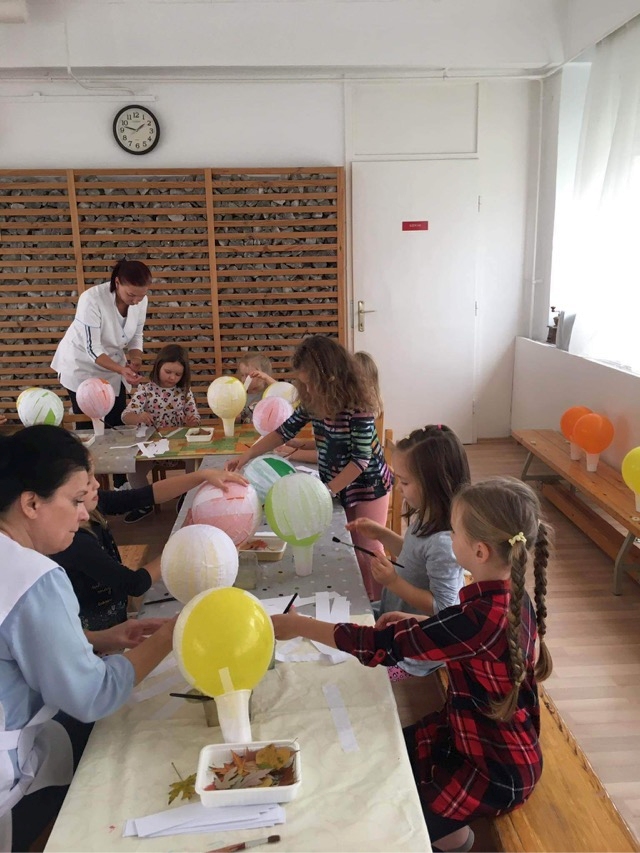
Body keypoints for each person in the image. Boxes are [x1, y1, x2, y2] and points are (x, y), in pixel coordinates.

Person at [272, 476, 553, 852]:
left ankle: (448, 839)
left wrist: (299, 626)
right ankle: (453, 834)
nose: (450, 537)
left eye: (454, 532)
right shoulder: (506, 598)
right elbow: (471, 640)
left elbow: (381, 646)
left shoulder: (482, 617)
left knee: (396, 818)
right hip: (471, 736)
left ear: (480, 551)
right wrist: (422, 623)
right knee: (385, 751)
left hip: (494, 768)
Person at [0, 425, 175, 852]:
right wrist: (172, 636)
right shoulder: (34, 577)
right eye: (76, 500)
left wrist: (95, 638)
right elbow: (91, 695)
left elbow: (15, 641)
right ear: (31, 503)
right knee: (119, 748)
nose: (84, 515)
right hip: (7, 789)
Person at [227, 336, 393, 600]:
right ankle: (367, 598)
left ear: (331, 377)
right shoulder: (313, 400)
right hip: (340, 484)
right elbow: (283, 432)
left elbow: (361, 460)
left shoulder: (358, 406)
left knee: (369, 550)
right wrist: (247, 455)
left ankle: (380, 604)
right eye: (302, 383)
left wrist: (326, 491)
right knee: (355, 549)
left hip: (369, 486)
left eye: (311, 382)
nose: (307, 389)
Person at [51, 461, 248, 630]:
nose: (96, 483)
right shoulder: (75, 542)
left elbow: (146, 495)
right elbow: (134, 584)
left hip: (114, 614)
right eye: (87, 481)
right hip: (93, 634)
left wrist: (202, 475)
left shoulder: (92, 506)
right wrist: (179, 544)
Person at [346, 424, 469, 680]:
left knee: (359, 674)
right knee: (345, 624)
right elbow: (412, 557)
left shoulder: (444, 543)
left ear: (434, 483)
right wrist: (382, 534)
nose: (398, 487)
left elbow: (445, 609)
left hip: (416, 648)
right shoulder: (426, 515)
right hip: (394, 616)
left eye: (404, 481)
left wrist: (393, 581)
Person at [51, 259, 152, 430]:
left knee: (117, 422)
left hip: (113, 366)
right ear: (117, 283)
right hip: (82, 366)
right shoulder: (91, 299)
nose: (136, 301)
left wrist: (136, 358)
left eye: (141, 296)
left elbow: (136, 335)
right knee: (90, 426)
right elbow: (93, 349)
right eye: (131, 295)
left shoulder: (141, 301)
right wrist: (121, 370)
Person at [120, 344, 200, 521]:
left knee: (194, 462)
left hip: (180, 447)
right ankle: (144, 503)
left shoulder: (184, 392)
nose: (172, 378)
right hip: (151, 448)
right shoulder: (145, 390)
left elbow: (195, 417)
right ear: (158, 367)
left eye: (178, 374)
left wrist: (191, 422)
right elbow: (126, 416)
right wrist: (139, 417)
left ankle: (187, 495)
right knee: (133, 471)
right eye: (168, 372)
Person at [277, 350, 384, 465]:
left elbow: (336, 455)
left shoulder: (360, 413)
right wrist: (298, 444)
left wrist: (293, 452)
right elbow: (330, 445)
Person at [236, 352, 276, 424]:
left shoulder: (270, 393)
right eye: (242, 375)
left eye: (248, 375)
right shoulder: (239, 396)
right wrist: (235, 418)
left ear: (262, 376)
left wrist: (267, 378)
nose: (244, 379)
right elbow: (235, 423)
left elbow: (283, 390)